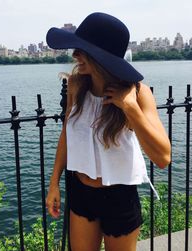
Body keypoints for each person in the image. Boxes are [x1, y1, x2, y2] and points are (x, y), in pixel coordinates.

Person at [45, 12, 171, 251]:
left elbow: (163, 157)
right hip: (81, 192)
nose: (74, 55)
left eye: (82, 50)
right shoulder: (75, 85)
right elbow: (66, 136)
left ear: (100, 57)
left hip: (119, 197)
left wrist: (130, 107)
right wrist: (54, 184)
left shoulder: (138, 92)